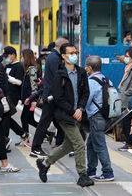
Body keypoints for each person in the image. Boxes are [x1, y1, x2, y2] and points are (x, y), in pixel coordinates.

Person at [36, 43, 93, 187]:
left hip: (78, 114)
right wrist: (73, 111)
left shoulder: (81, 72)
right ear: (63, 56)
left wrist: (80, 108)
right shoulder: (59, 75)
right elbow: (58, 98)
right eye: (71, 53)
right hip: (64, 115)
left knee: (69, 145)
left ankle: (45, 163)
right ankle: (82, 175)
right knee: (79, 144)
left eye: (76, 52)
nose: (74, 55)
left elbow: (85, 92)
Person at [31, 37, 69, 158]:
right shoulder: (55, 58)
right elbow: (57, 78)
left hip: (53, 95)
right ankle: (36, 148)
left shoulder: (54, 57)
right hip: (52, 96)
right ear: (61, 46)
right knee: (45, 122)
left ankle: (65, 144)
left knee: (59, 121)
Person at [84, 56, 114, 181]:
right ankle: (91, 171)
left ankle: (108, 172)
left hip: (96, 117)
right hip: (106, 116)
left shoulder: (91, 82)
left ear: (89, 68)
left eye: (86, 66)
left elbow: (87, 100)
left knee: (100, 145)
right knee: (91, 143)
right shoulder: (107, 80)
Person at [117, 47, 132, 151]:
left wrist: (127, 92)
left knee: (127, 121)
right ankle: (129, 141)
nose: (125, 58)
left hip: (129, 99)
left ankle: (129, 142)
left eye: (127, 56)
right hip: (124, 98)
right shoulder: (128, 67)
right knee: (125, 121)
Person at [2, 46, 29, 144]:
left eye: (7, 56)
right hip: (5, 94)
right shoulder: (7, 66)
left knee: (5, 117)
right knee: (6, 117)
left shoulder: (19, 66)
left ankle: (5, 140)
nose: (6, 58)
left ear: (13, 55)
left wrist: (7, 77)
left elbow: (19, 82)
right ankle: (22, 133)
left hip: (13, 95)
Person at [20, 49, 40, 138]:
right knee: (30, 119)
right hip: (28, 98)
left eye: (23, 56)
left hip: (29, 98)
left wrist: (32, 99)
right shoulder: (30, 68)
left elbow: (34, 85)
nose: (22, 58)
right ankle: (47, 133)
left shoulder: (32, 69)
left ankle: (26, 138)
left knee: (24, 118)